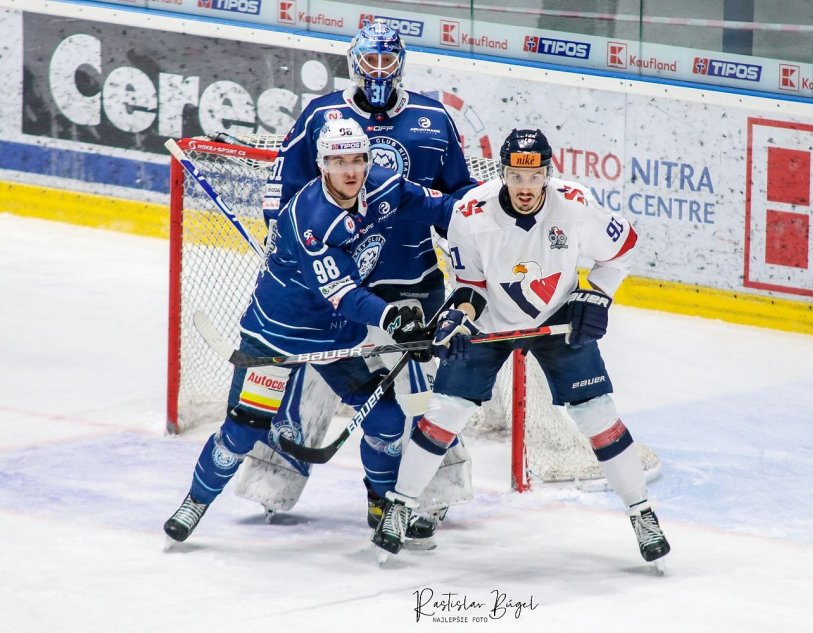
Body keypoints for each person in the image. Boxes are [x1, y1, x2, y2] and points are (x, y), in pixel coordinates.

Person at [371, 129, 672, 566]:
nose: (526, 187)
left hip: (556, 318)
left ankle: (642, 514)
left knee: (597, 415)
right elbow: (471, 286)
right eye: (516, 176)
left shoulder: (576, 205)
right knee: (445, 413)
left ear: (548, 173)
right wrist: (460, 318)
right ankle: (400, 506)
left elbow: (623, 247)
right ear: (503, 173)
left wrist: (596, 295)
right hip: (491, 319)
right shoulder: (470, 212)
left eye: (534, 176)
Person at [163, 119, 457, 543]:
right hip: (278, 336)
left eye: (357, 159)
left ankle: (383, 504)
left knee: (387, 421)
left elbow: (443, 208)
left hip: (338, 337)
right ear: (322, 165)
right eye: (338, 162)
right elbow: (345, 295)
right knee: (243, 430)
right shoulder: (313, 218)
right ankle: (196, 501)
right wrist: (393, 319)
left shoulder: (384, 185)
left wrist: (493, 212)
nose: (350, 171)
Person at [245, 18, 478, 528]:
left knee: (421, 392)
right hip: (338, 282)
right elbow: (283, 185)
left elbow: (458, 196)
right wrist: (281, 240)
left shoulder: (432, 117)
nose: (378, 69)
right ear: (353, 62)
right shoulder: (322, 115)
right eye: (369, 59)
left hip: (412, 278)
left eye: (386, 59)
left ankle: (428, 496)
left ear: (401, 62)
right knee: (310, 375)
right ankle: (272, 481)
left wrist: (475, 242)